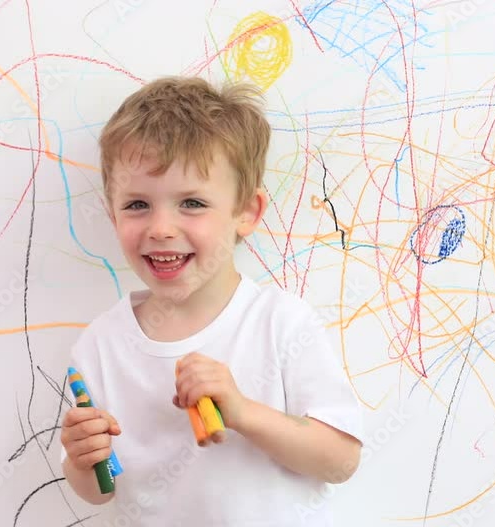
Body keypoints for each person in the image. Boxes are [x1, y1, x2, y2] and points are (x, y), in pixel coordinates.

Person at [59, 76, 364, 526]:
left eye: (193, 203)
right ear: (111, 211)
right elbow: (101, 492)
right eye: (137, 205)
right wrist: (82, 463)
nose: (161, 227)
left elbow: (340, 461)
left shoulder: (281, 323)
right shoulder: (100, 345)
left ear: (247, 213)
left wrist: (242, 412)